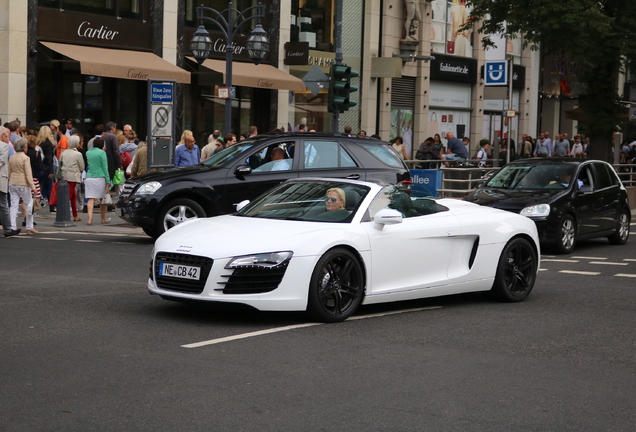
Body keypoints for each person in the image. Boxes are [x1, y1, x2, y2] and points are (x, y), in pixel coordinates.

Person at [7, 138, 37, 234]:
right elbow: (28, 174)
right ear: (25, 147)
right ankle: (29, 226)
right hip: (23, 183)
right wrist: (33, 187)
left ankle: (12, 226)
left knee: (14, 206)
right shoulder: (25, 158)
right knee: (29, 204)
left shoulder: (12, 157)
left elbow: (9, 172)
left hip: (12, 182)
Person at [84, 137, 111, 225]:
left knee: (90, 198)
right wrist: (108, 180)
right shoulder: (102, 153)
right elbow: (105, 167)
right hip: (100, 177)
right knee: (102, 199)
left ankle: (89, 219)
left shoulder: (88, 152)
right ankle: (103, 218)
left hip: (89, 176)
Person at [59, 135, 86, 222]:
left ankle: (75, 215)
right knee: (68, 197)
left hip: (64, 175)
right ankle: (64, 216)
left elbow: (60, 164)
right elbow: (82, 167)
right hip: (73, 176)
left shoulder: (63, 153)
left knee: (73, 196)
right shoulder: (78, 154)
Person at [0, 134, 20, 237]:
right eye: (7, 136)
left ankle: (8, 229)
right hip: (1, 179)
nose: (9, 138)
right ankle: (8, 230)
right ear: (2, 136)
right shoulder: (4, 146)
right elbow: (2, 161)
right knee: (4, 206)